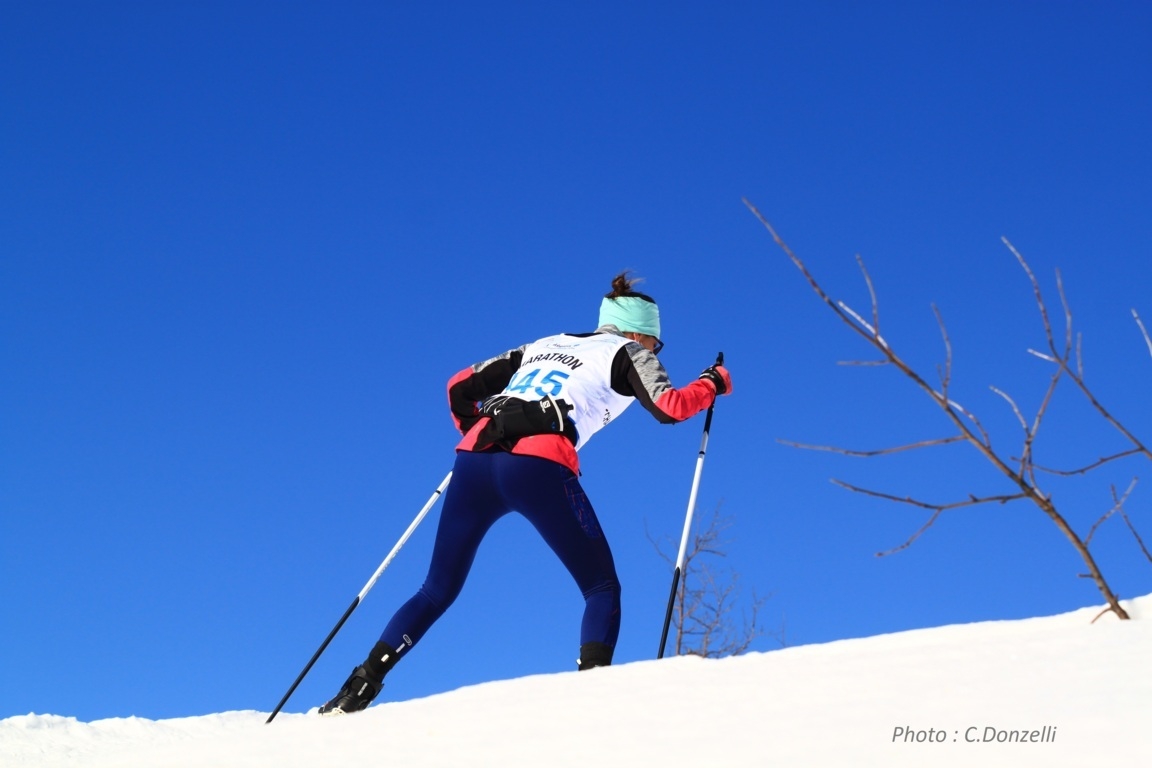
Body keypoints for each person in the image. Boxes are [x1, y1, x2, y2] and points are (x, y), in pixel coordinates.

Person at [318, 272, 732, 715]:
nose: (656, 352)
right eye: (656, 344)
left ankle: (360, 686)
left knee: (436, 589)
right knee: (600, 586)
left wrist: (478, 429)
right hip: (538, 463)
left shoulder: (543, 344)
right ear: (637, 332)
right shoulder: (628, 352)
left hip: (475, 458)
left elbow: (458, 386)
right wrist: (713, 382)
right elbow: (670, 407)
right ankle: (593, 698)